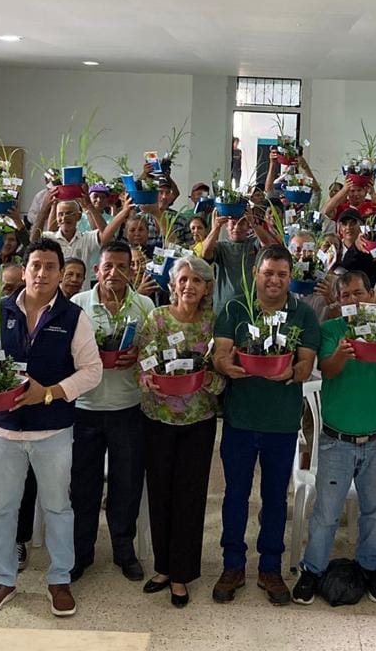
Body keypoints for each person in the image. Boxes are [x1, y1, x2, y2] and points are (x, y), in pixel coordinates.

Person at [0, 239, 103, 620]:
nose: (41, 273)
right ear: (24, 269)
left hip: (52, 430)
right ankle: (3, 579)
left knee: (58, 507)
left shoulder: (73, 317)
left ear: (61, 274)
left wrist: (50, 393)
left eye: (49, 266)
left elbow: (93, 371)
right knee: (2, 507)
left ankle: (59, 579)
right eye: (35, 265)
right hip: (4, 430)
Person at [210, 246, 320, 605]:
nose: (274, 280)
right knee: (235, 495)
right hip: (240, 419)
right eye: (268, 272)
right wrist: (225, 365)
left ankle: (270, 567)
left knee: (275, 498)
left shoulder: (303, 313)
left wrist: (291, 372)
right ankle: (232, 565)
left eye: (282, 274)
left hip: (281, 422)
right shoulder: (235, 308)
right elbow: (221, 353)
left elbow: (306, 364)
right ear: (256, 273)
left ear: (291, 277)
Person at [292, 270, 376, 605]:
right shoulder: (330, 330)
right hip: (337, 439)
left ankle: (371, 568)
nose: (353, 300)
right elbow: (328, 370)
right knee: (326, 512)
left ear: (371, 295)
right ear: (337, 302)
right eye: (345, 296)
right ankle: (312, 569)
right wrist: (342, 352)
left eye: (359, 293)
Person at [134, 254, 225, 606]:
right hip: (157, 418)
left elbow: (221, 374)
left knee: (190, 496)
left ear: (206, 288)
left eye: (196, 280)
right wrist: (146, 378)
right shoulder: (157, 318)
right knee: (159, 493)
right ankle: (163, 567)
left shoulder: (213, 323)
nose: (189, 286)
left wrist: (208, 380)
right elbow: (142, 362)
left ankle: (181, 574)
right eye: (183, 279)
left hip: (198, 421)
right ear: (173, 284)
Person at [69, 242, 156, 581]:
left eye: (122, 266)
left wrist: (139, 356)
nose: (114, 273)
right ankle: (82, 551)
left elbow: (154, 350)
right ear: (97, 270)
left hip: (128, 407)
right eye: (108, 266)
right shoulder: (78, 305)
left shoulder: (144, 305)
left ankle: (123, 548)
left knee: (127, 482)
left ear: (132, 270)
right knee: (83, 485)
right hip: (84, 408)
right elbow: (64, 353)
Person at [201, 208, 278, 311]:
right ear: (227, 226)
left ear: (248, 227)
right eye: (233, 223)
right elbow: (205, 253)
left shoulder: (254, 244)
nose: (236, 227)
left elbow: (268, 245)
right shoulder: (220, 247)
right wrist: (216, 228)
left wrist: (253, 223)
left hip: (250, 306)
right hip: (223, 307)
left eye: (241, 223)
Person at [34, 196, 132, 274]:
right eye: (60, 214)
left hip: (83, 292)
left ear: (79, 216)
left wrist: (89, 206)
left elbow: (106, 234)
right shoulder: (50, 238)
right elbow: (33, 240)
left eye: (69, 213)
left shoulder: (86, 238)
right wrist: (43, 211)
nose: (64, 218)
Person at [329, 209, 376, 290]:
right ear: (340, 230)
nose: (348, 227)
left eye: (353, 223)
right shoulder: (334, 248)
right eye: (344, 224)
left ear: (361, 227)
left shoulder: (369, 248)